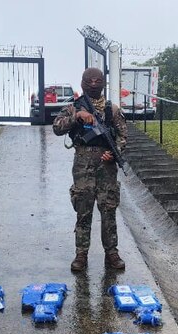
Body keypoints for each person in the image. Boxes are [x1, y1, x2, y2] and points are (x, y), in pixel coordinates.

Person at [52, 67, 127, 272]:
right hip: (83, 164)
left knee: (108, 210)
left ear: (103, 83)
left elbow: (122, 136)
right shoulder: (74, 107)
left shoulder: (112, 110)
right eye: (89, 81)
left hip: (106, 166)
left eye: (98, 80)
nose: (94, 84)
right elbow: (57, 128)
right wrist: (76, 116)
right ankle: (81, 255)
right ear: (83, 83)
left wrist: (115, 153)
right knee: (83, 211)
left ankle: (112, 253)